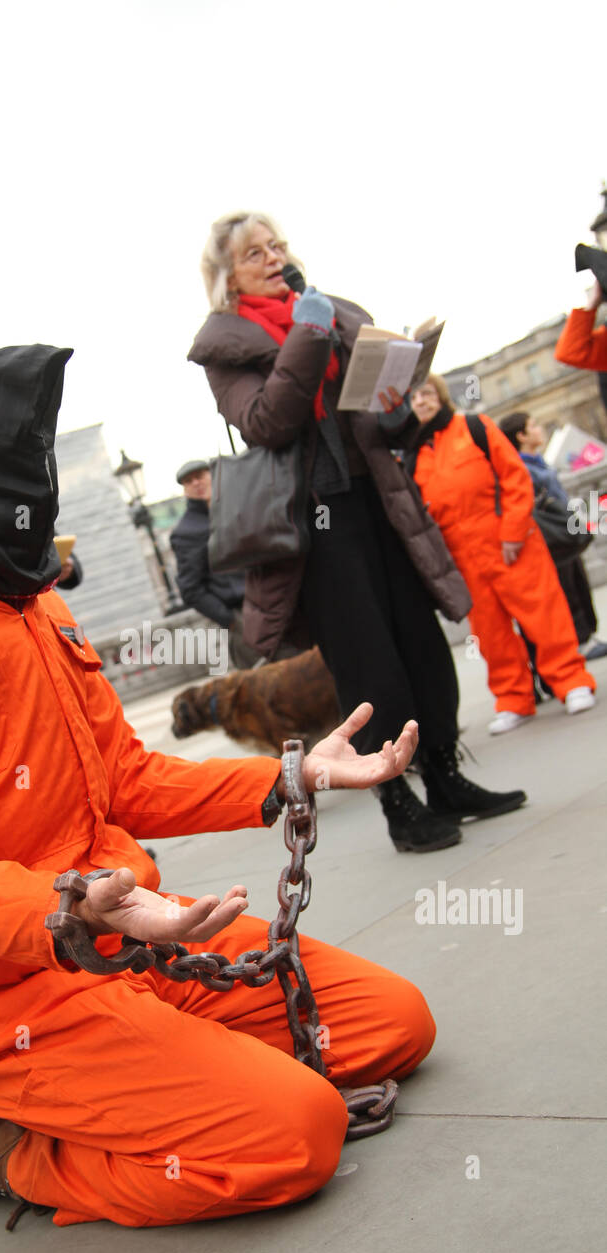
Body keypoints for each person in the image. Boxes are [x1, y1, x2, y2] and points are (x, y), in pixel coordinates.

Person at [0, 321, 436, 1230]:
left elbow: (123, 776)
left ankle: (164, 1071)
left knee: (393, 1025)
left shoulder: (28, 599)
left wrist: (291, 778)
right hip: (5, 996)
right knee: (294, 1135)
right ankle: (17, 1151)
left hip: (139, 943)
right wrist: (70, 907)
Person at [188, 211, 525, 853]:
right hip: (316, 530)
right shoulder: (225, 345)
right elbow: (268, 421)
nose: (273, 256)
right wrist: (308, 335)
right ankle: (398, 803)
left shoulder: (337, 315)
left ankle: (448, 779)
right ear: (228, 277)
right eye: (255, 252)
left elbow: (374, 426)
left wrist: (396, 406)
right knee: (371, 670)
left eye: (277, 244)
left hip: (377, 503)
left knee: (423, 650)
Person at [410, 376, 596, 733]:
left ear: (441, 397)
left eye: (427, 393)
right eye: (414, 396)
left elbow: (515, 478)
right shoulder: (415, 451)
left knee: (543, 615)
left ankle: (571, 681)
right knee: (489, 632)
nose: (421, 401)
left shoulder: (475, 427)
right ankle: (513, 699)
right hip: (462, 555)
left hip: (508, 541)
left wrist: (512, 532)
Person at [499, 411, 606, 663]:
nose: (539, 430)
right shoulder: (522, 468)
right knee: (567, 589)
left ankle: (586, 637)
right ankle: (580, 642)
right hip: (551, 539)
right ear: (521, 436)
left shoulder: (538, 462)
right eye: (533, 426)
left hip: (563, 534)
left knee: (577, 584)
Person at [169, 460, 262, 668]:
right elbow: (190, 589)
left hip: (271, 602)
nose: (196, 483)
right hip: (241, 615)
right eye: (189, 481)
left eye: (200, 476)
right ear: (185, 489)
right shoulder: (186, 532)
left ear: (212, 476)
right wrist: (231, 620)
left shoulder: (237, 509)